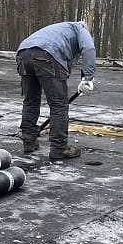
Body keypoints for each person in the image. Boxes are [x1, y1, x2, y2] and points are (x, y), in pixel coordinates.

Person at [16, 21, 96, 160]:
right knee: (59, 105)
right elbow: (88, 49)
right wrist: (88, 77)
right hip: (47, 55)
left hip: (23, 53)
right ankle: (59, 149)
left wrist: (82, 78)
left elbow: (66, 61)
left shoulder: (59, 29)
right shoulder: (80, 28)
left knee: (30, 100)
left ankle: (29, 142)